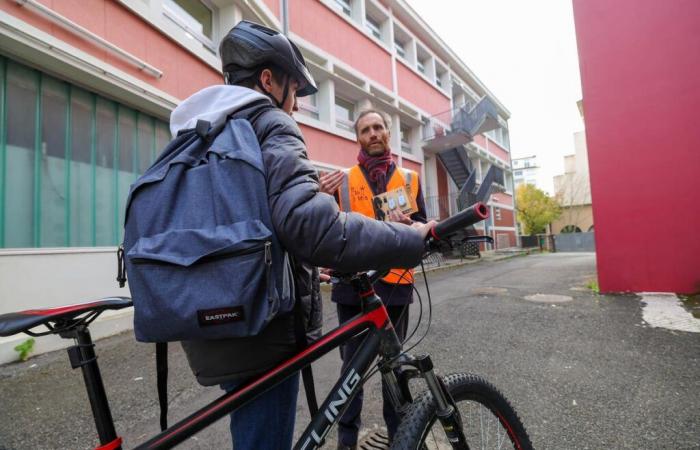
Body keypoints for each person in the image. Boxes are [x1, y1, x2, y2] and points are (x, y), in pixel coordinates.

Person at [170, 21, 435, 450]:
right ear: (269, 81)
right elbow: (315, 230)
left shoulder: (201, 134)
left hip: (212, 315)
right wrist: (411, 240)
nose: (294, 105)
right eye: (294, 90)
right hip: (263, 325)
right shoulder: (269, 124)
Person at [319, 110, 428, 450]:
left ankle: (399, 440)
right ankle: (347, 442)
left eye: (379, 127)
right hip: (353, 290)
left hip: (396, 287)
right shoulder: (343, 180)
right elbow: (326, 230)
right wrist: (320, 196)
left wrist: (409, 226)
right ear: (358, 138)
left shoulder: (410, 178)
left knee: (395, 371)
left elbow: (424, 229)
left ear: (389, 133)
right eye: (366, 129)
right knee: (351, 372)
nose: (374, 133)